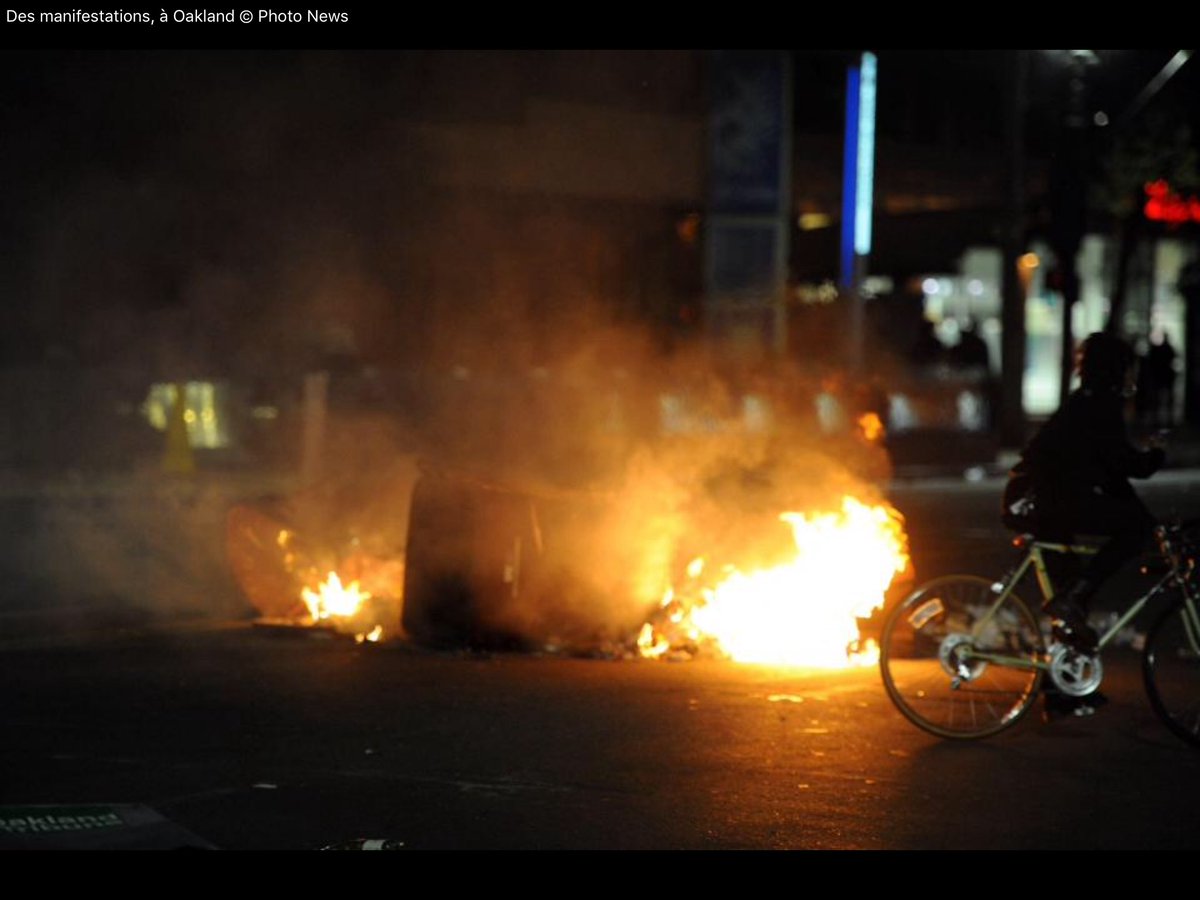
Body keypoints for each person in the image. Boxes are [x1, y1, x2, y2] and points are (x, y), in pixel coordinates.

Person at [1003, 332, 1166, 658]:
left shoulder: (1090, 400)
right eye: (1127, 368)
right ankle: (1071, 602)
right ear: (1115, 368)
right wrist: (1155, 454)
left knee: (1070, 593)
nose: (1130, 376)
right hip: (1039, 500)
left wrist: (1148, 519)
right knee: (1126, 537)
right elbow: (1122, 464)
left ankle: (1065, 684)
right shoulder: (1100, 405)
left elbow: (1110, 477)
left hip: (1041, 499)